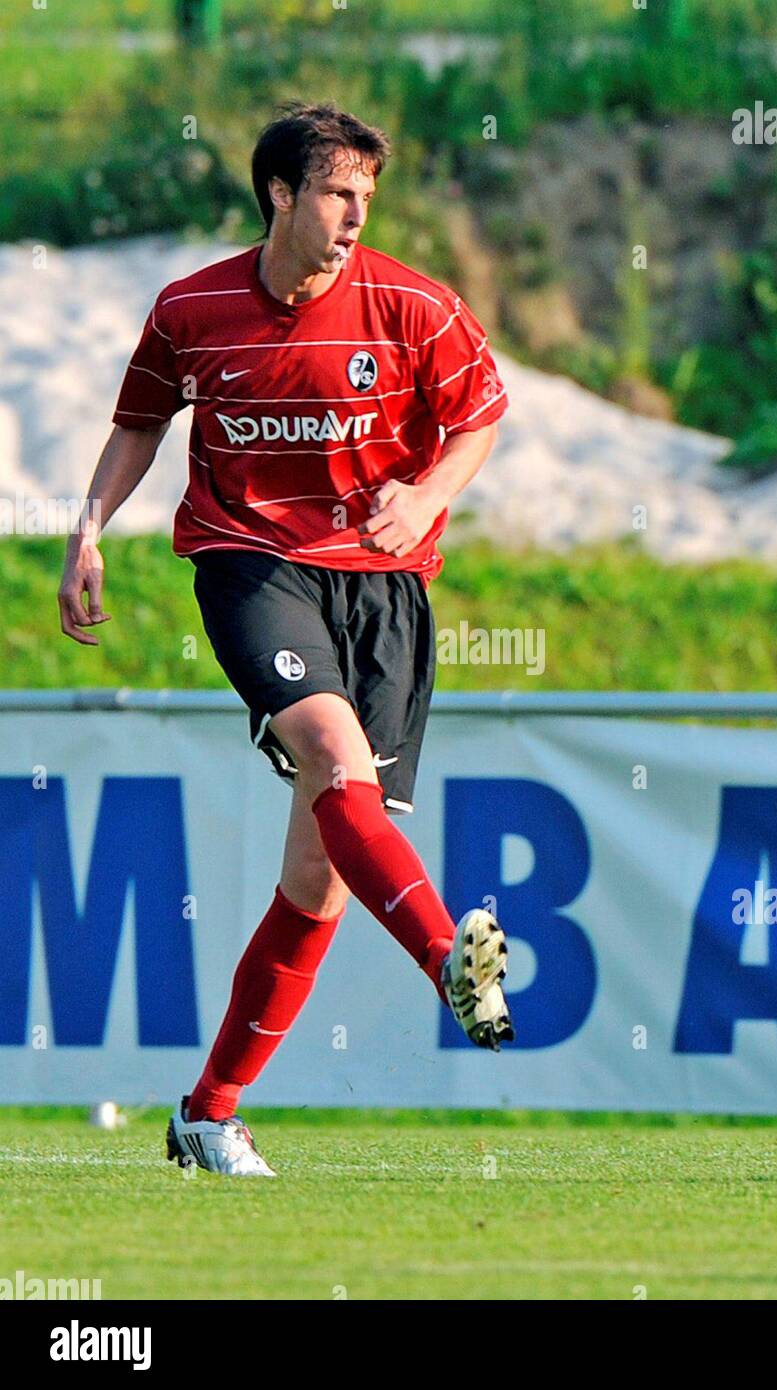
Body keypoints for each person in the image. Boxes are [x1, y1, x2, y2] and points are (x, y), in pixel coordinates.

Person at [59, 102, 514, 1178]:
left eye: (367, 194)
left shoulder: (413, 302)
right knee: (330, 754)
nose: (357, 213)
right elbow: (141, 420)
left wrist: (428, 492)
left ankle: (207, 1112)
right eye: (336, 192)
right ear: (279, 194)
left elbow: (481, 412)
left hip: (384, 585)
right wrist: (88, 527)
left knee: (318, 880)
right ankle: (449, 954)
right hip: (250, 563)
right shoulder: (192, 307)